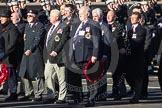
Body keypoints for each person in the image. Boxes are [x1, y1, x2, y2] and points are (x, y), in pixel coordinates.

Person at [68, 6, 101, 107]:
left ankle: (91, 99)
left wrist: (95, 54)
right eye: (79, 13)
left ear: (87, 13)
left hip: (88, 55)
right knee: (75, 77)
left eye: (81, 13)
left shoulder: (93, 24)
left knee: (90, 78)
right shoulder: (78, 24)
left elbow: (96, 41)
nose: (79, 14)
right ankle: (79, 97)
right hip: (77, 55)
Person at [43, 9, 70, 104]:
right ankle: (51, 95)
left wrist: (56, 51)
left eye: (51, 15)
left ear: (57, 17)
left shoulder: (64, 26)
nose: (49, 17)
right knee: (48, 76)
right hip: (49, 57)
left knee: (61, 78)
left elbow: (63, 40)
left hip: (59, 57)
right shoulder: (50, 27)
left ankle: (62, 97)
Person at [19, 9, 46, 101]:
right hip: (26, 52)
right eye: (27, 16)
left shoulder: (40, 26)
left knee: (38, 73)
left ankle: (39, 94)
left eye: (30, 16)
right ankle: (28, 92)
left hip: (35, 53)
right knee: (24, 73)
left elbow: (37, 40)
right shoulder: (27, 26)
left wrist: (30, 49)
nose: (28, 17)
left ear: (35, 16)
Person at [126, 12, 146, 103]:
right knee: (128, 75)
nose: (132, 19)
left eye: (134, 18)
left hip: (137, 57)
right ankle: (135, 91)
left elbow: (137, 41)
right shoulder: (130, 29)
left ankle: (137, 96)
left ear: (138, 19)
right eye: (131, 17)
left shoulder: (141, 29)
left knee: (138, 77)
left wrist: (127, 48)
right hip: (130, 57)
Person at [92, 8, 111, 101]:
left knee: (102, 75)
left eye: (96, 16)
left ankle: (102, 94)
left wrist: (105, 55)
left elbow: (107, 42)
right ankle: (96, 93)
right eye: (93, 17)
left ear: (101, 17)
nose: (94, 18)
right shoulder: (91, 26)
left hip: (102, 54)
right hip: (94, 54)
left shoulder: (105, 26)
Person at [0, 9, 19, 101]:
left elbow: (13, 43)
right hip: (2, 56)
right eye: (0, 17)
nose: (1, 19)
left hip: (9, 56)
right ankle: (5, 90)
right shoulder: (1, 27)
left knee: (11, 75)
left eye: (3, 17)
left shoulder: (13, 29)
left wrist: (5, 53)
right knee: (3, 75)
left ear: (8, 18)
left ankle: (13, 93)